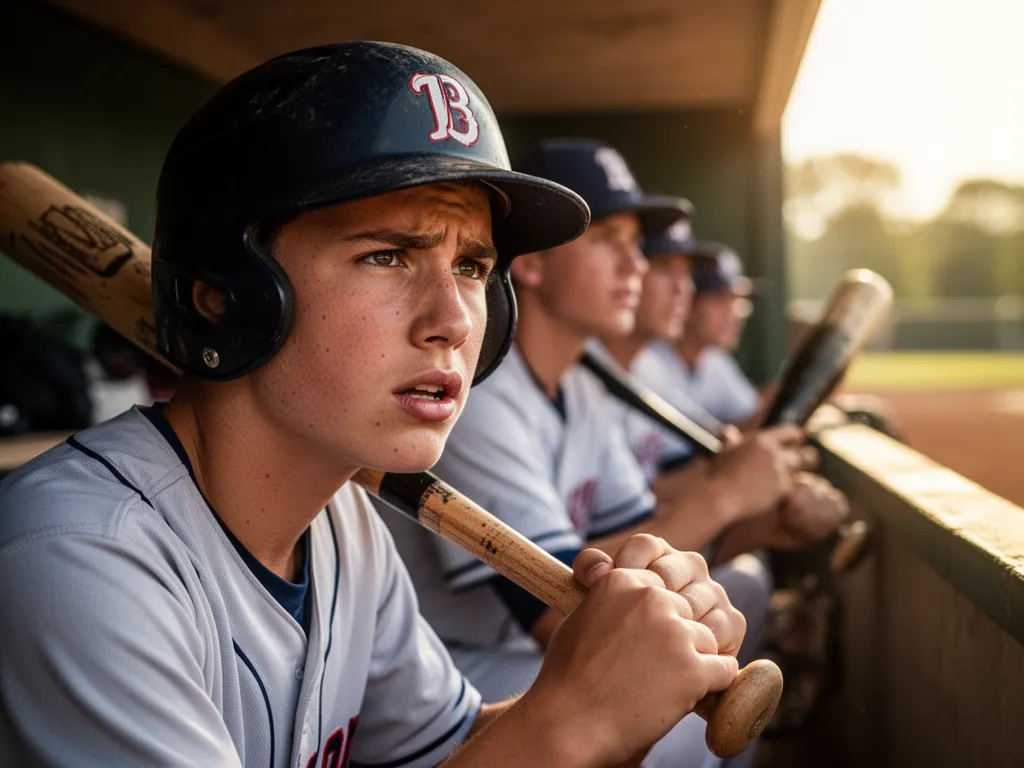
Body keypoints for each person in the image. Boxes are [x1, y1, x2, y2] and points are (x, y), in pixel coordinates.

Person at [0, 44, 748, 768]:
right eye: (386, 255)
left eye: (472, 265)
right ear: (224, 294)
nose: (453, 319)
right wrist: (573, 722)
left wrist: (622, 701)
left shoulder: (343, 522)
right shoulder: (74, 558)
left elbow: (450, 748)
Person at [377, 138, 825, 768]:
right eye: (607, 237)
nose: (635, 263)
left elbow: (636, 538)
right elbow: (557, 614)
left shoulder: (582, 386)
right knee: (675, 721)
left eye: (637, 242)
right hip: (462, 660)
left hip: (515, 660)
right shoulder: (477, 396)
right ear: (530, 264)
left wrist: (756, 521)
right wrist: (725, 495)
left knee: (728, 615)